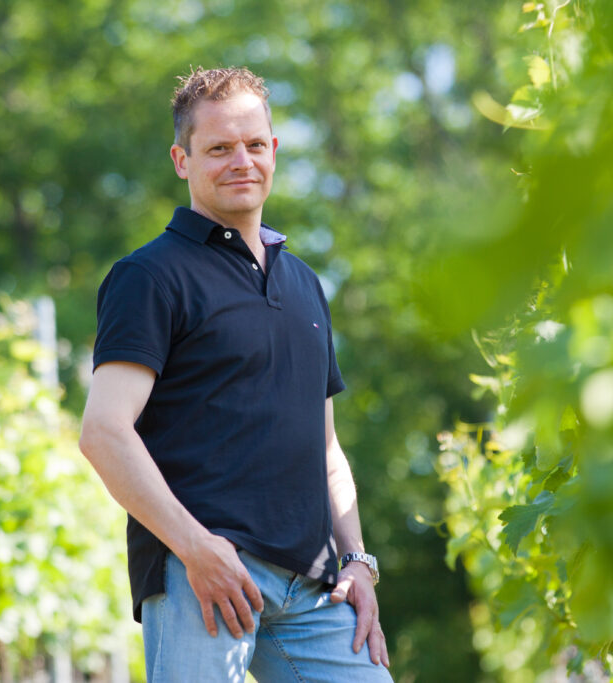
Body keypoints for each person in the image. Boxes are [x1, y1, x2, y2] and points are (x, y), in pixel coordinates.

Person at [79, 66, 393, 682]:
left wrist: (357, 561)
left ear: (273, 151)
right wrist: (197, 549)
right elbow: (104, 432)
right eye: (218, 148)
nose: (240, 161)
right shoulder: (151, 276)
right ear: (182, 159)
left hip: (315, 590)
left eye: (254, 145)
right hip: (204, 576)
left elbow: (325, 447)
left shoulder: (304, 282)